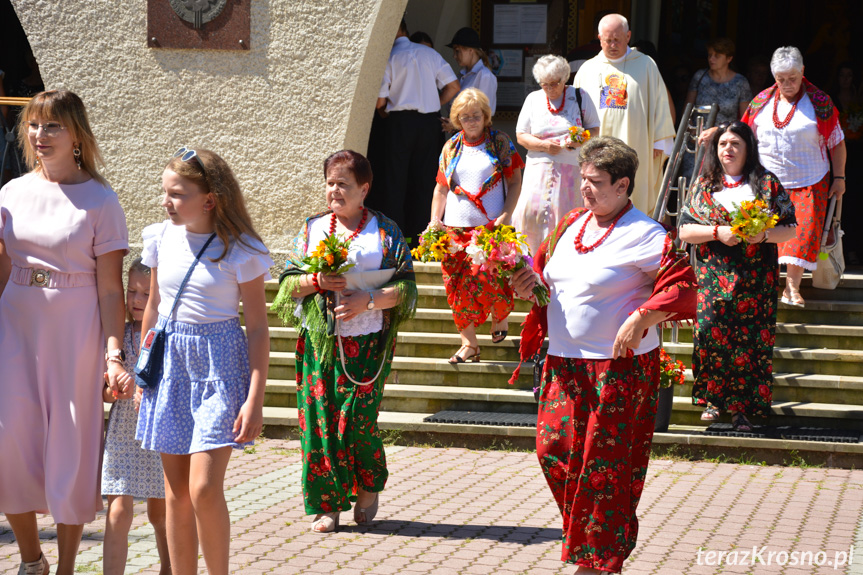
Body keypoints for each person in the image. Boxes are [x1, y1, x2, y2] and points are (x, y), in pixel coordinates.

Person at [510, 137, 697, 574]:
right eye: (585, 180)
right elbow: (546, 278)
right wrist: (528, 286)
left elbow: (684, 287)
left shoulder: (646, 234)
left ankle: (598, 560)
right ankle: (594, 539)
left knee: (603, 467)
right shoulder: (571, 223)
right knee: (552, 451)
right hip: (563, 362)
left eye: (596, 182)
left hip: (618, 370)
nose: (586, 190)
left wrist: (642, 318)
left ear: (623, 184)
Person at [0, 90, 131, 575]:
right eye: (33, 125)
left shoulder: (100, 199)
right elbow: (3, 265)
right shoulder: (11, 192)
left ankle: (68, 567)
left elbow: (111, 290)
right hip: (15, 323)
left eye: (52, 126)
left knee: (71, 450)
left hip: (76, 329)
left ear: (77, 134)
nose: (40, 135)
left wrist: (113, 354)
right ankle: (32, 559)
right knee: (9, 443)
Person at [136, 148, 272, 575]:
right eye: (165, 192)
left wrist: (255, 399)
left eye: (176, 194)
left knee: (204, 488)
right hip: (170, 366)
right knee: (176, 491)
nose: (166, 201)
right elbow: (154, 307)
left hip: (219, 366)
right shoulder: (160, 237)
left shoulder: (242, 250)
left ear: (209, 199)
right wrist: (144, 377)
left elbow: (258, 328)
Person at [271, 150, 417, 533]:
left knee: (357, 422)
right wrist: (317, 282)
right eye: (330, 183)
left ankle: (369, 485)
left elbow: (406, 288)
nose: (334, 190)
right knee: (319, 424)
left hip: (369, 342)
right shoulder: (312, 229)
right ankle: (328, 504)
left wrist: (367, 300)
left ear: (364, 189)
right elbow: (287, 285)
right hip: (320, 342)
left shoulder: (386, 232)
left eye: (343, 184)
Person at [679, 122, 797, 430]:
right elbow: (685, 230)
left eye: (735, 144)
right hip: (713, 277)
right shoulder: (704, 185)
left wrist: (764, 235)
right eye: (722, 144)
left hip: (755, 280)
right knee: (710, 335)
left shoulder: (767, 184)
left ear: (748, 148)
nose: (727, 149)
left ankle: (742, 409)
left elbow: (791, 227)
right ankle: (713, 402)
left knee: (750, 343)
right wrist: (718, 232)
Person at [740, 46, 846, 306]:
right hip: (768, 182)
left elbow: (837, 141)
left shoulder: (820, 103)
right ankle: (763, 286)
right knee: (763, 231)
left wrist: (840, 178)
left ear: (802, 72)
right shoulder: (761, 102)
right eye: (781, 79)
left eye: (793, 78)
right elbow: (743, 136)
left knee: (802, 233)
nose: (787, 84)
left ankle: (791, 287)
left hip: (810, 179)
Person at [430, 88, 524, 361]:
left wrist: (506, 215)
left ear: (485, 116)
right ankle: (469, 343)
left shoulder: (500, 143)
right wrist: (435, 221)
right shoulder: (450, 147)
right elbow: (440, 189)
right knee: (455, 286)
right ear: (457, 119)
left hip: (490, 228)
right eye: (464, 116)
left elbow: (515, 182)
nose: (470, 120)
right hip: (453, 231)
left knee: (487, 280)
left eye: (476, 115)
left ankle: (500, 315)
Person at [101, 259, 170, 575]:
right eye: (132, 291)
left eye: (146, 293)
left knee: (162, 513)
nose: (138, 300)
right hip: (124, 432)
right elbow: (102, 391)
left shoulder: (164, 337)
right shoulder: (118, 337)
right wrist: (115, 388)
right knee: (118, 510)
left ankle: (170, 568)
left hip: (157, 428)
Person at [573, 13, 675, 216]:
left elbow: (660, 103)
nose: (612, 45)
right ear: (599, 38)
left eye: (617, 40)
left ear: (628, 37)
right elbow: (576, 110)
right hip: (597, 146)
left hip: (637, 144)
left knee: (633, 191)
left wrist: (659, 141)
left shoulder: (646, 65)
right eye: (607, 40)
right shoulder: (587, 69)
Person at [377, 19, 460, 242]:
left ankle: (395, 241)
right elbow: (454, 86)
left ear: (397, 28)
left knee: (395, 181)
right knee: (427, 182)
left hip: (400, 122)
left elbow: (379, 102)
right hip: (429, 123)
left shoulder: (390, 56)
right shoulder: (429, 54)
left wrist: (386, 113)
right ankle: (423, 240)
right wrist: (434, 103)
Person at [513, 55, 600, 255]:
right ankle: (532, 265)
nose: (550, 89)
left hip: (570, 171)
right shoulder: (533, 99)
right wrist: (544, 145)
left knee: (565, 217)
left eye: (554, 83)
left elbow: (595, 129)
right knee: (530, 216)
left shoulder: (579, 96)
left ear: (564, 78)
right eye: (545, 84)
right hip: (538, 168)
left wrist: (580, 140)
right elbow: (521, 136)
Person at [685, 38, 753, 126]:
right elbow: (687, 110)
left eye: (717, 56)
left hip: (725, 136)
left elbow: (745, 117)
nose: (711, 59)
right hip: (699, 135)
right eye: (710, 55)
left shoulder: (740, 82)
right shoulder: (699, 76)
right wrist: (691, 129)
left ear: (729, 59)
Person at [447, 27, 497, 114]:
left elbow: (484, 113)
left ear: (471, 50)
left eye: (457, 51)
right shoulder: (461, 75)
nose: (454, 56)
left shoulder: (484, 76)